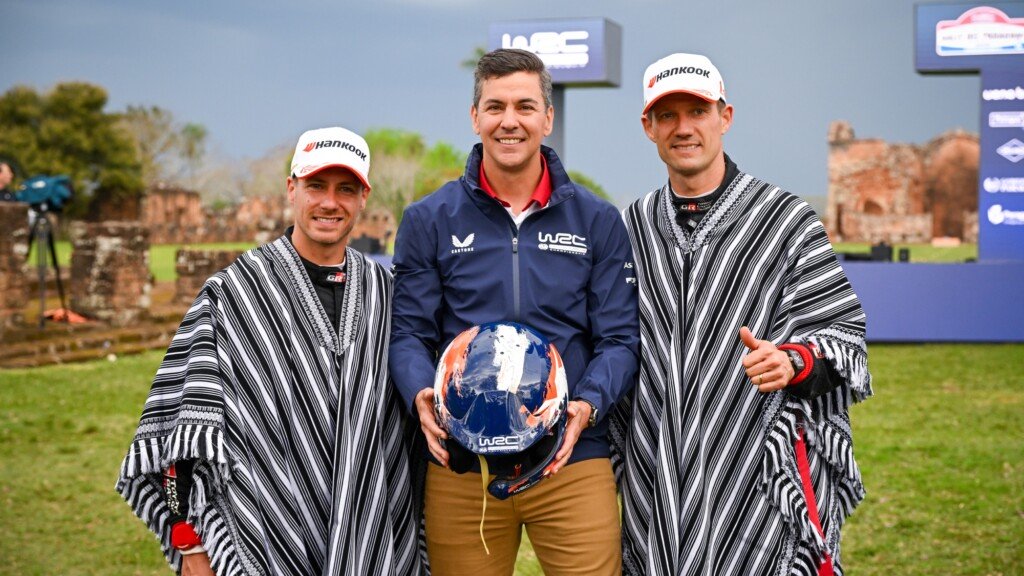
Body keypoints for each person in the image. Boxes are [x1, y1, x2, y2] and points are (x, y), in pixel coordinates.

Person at [116, 127, 423, 576]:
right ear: (291, 189)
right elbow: (181, 432)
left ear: (364, 198)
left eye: (346, 189)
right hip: (266, 534)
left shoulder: (387, 293)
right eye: (316, 186)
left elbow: (410, 429)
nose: (330, 202)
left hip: (372, 532)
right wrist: (189, 543)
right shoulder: (233, 294)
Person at [612, 53, 873, 576]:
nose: (684, 128)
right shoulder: (630, 226)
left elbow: (843, 333)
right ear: (648, 126)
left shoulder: (785, 220)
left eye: (698, 111)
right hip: (654, 471)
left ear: (724, 116)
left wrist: (793, 361)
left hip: (757, 473)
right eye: (668, 115)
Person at [390, 48, 639, 575]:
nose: (510, 121)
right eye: (495, 106)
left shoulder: (597, 220)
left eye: (525, 106)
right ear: (474, 117)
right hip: (463, 463)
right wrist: (419, 394)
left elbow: (619, 340)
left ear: (547, 118)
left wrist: (588, 405)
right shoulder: (428, 219)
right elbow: (408, 334)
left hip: (570, 455)